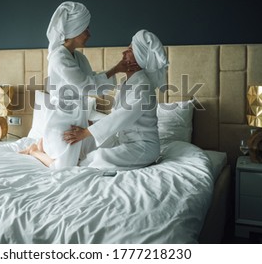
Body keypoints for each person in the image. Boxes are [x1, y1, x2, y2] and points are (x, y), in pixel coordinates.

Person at [23, 29, 169, 171]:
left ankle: (36, 152)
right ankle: (44, 148)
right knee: (83, 144)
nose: (123, 53)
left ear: (139, 59)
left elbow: (120, 118)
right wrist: (91, 126)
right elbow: (113, 113)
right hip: (124, 140)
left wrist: (86, 131)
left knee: (98, 157)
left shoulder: (143, 88)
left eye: (130, 50)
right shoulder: (128, 83)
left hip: (141, 147)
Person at [20, 1, 136, 169]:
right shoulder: (58, 57)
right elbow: (85, 86)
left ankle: (43, 143)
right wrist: (116, 69)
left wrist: (117, 73)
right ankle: (34, 150)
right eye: (85, 29)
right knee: (63, 167)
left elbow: (92, 80)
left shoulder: (79, 57)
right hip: (60, 121)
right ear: (74, 31)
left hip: (78, 121)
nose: (89, 34)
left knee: (95, 154)